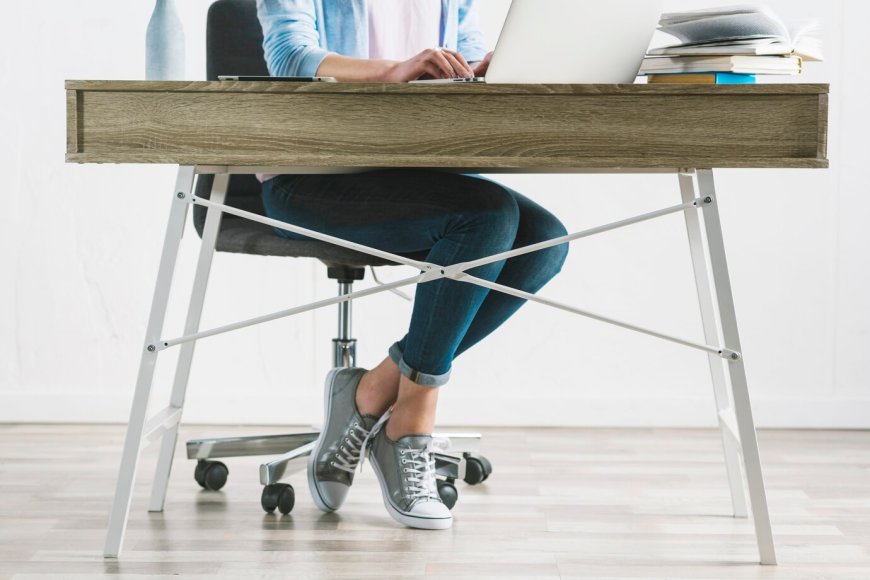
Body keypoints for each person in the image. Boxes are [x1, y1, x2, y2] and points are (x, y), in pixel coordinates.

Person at [257, 0, 569, 530]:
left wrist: (482, 69)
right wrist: (394, 70)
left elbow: (461, 55)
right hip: (312, 173)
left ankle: (373, 390)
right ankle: (410, 422)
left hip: (413, 167)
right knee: (485, 218)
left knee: (542, 241)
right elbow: (288, 55)